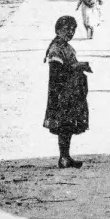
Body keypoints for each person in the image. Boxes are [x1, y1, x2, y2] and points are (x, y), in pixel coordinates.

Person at [43, 15, 91, 169]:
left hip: (70, 91)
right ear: (58, 30)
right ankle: (63, 157)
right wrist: (77, 67)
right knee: (64, 124)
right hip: (62, 93)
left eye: (73, 30)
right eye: (67, 29)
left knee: (68, 124)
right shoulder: (56, 48)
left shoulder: (65, 46)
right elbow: (57, 72)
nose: (70, 32)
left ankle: (66, 156)